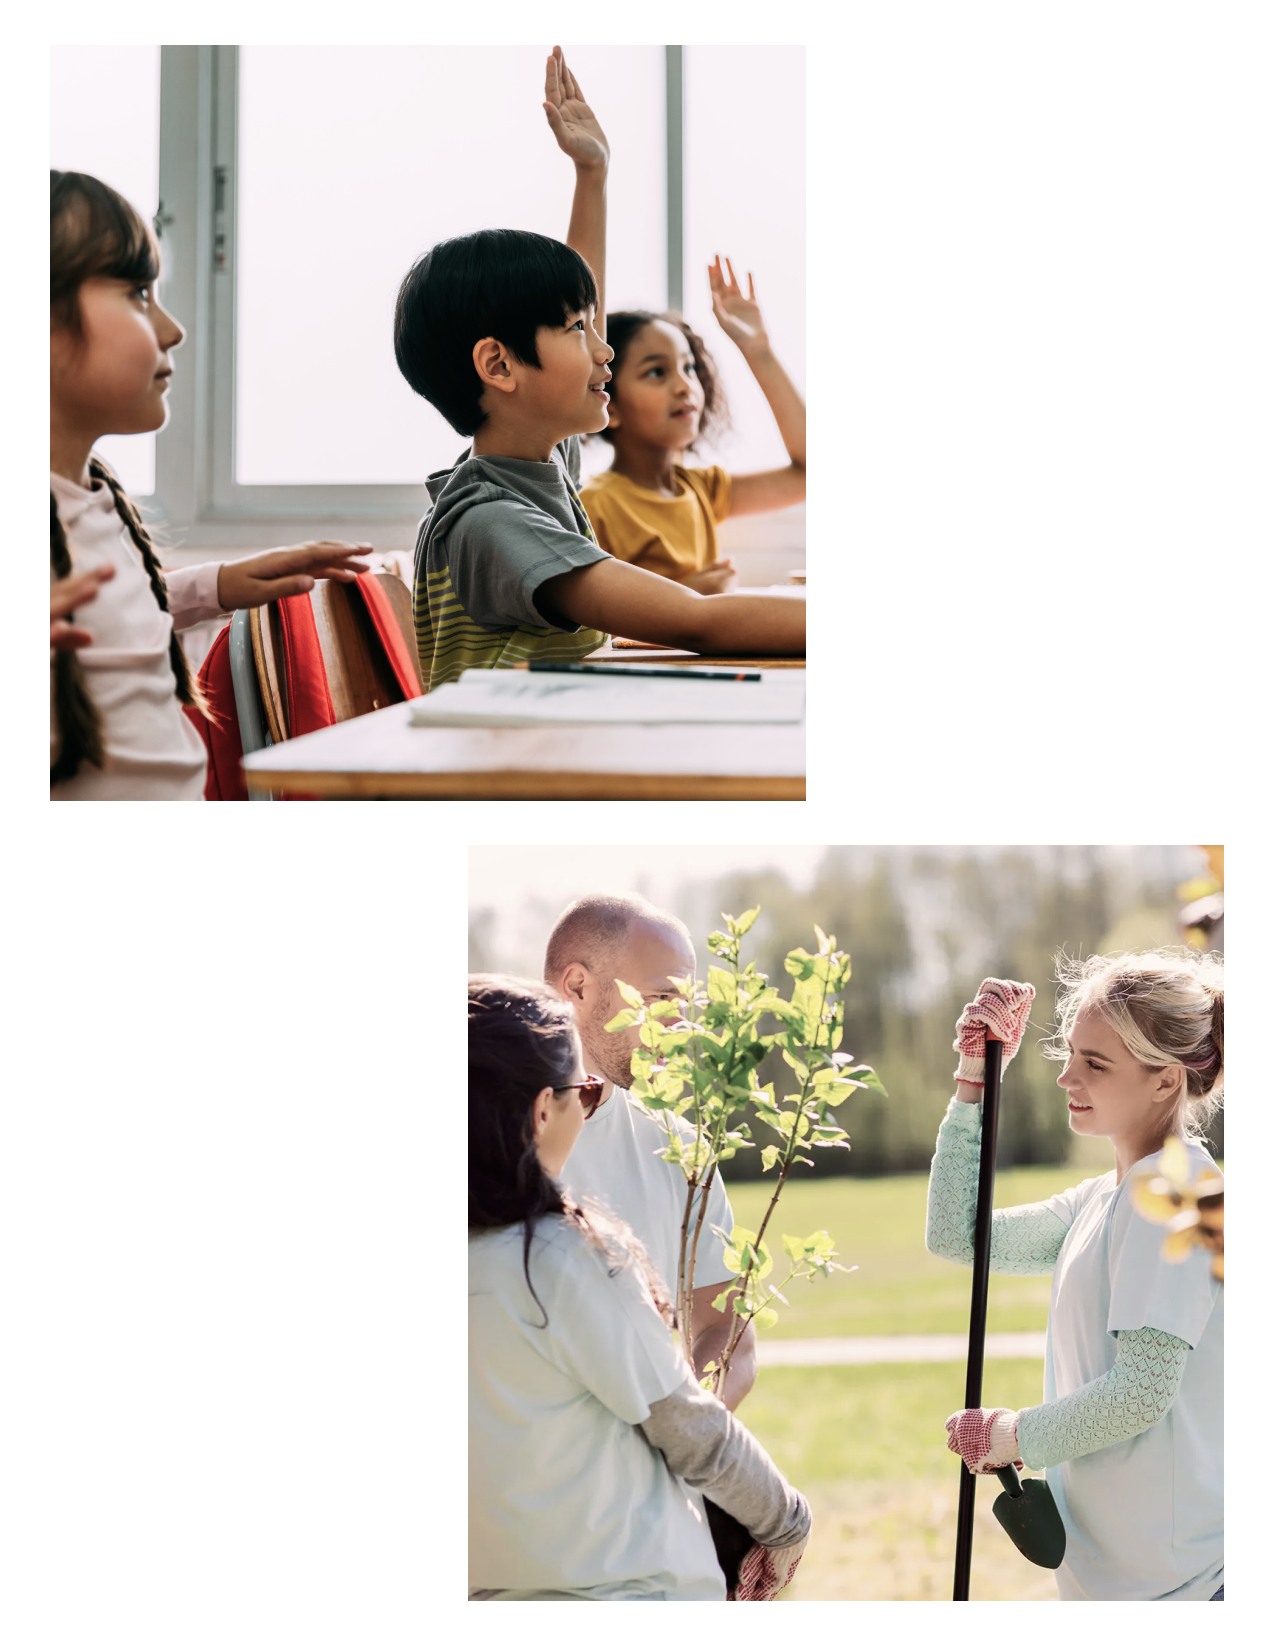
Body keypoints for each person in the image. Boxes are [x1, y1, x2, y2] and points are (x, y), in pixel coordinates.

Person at [394, 46, 805, 694]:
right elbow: (697, 620)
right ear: (498, 365)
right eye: (577, 330)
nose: (604, 349)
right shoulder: (492, 521)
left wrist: (594, 174)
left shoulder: (538, 470)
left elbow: (578, 298)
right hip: (510, 755)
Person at [468, 973, 811, 1601]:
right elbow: (689, 1428)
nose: (588, 1108)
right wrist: (787, 1523)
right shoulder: (564, 1259)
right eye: (584, 1091)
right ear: (543, 1109)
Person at [50, 170, 373, 798]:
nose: (173, 329)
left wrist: (219, 585)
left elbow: (109, 621)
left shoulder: (94, 495)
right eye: (138, 293)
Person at [926, 955, 1224, 1601]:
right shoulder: (1105, 1197)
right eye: (1070, 1053)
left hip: (1178, 1583)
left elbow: (1142, 1391)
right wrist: (975, 1079)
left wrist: (1009, 1435)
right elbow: (958, 1234)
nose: (1067, 1076)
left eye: (1096, 1063)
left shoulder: (1178, 1192)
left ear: (1166, 1081)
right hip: (1119, 1577)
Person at [544, 892, 757, 1410]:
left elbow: (728, 1331)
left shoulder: (683, 1150)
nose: (681, 1027)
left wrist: (682, 1428)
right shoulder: (486, 1136)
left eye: (685, 1006)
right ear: (577, 987)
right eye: (662, 999)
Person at [578, 259, 806, 595]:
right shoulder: (597, 506)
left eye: (689, 368)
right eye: (656, 372)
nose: (686, 385)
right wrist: (688, 597)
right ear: (610, 406)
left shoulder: (701, 489)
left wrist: (758, 350)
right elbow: (595, 619)